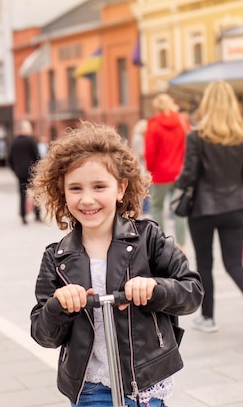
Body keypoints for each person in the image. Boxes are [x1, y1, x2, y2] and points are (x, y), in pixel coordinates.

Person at [29, 121, 203, 407]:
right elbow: (43, 334)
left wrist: (156, 289)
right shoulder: (56, 258)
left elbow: (192, 291)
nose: (87, 199)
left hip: (146, 383)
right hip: (91, 387)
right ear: (62, 192)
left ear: (121, 188)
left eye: (99, 186)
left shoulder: (149, 239)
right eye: (75, 188)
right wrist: (58, 306)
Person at [175, 81, 243, 342]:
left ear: (207, 105)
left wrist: (178, 184)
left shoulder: (196, 137)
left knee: (204, 264)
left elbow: (189, 175)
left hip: (203, 209)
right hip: (236, 206)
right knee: (234, 264)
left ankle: (208, 317)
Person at [145, 93, 188, 253]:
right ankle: (182, 245)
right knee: (178, 208)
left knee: (156, 207)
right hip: (180, 172)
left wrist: (150, 171)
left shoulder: (154, 124)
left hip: (160, 174)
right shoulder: (182, 121)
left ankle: (162, 243)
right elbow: (189, 145)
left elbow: (150, 151)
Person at [8, 119, 41, 224]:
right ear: (25, 129)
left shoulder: (14, 142)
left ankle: (23, 216)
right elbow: (37, 156)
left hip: (20, 173)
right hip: (32, 172)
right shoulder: (31, 141)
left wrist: (15, 170)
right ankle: (37, 214)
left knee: (22, 194)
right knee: (36, 193)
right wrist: (38, 168)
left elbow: (10, 158)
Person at [131, 119, 151, 215]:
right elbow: (140, 153)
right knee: (144, 188)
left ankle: (145, 209)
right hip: (142, 166)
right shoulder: (139, 138)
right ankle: (145, 210)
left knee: (145, 188)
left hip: (142, 166)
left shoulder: (138, 137)